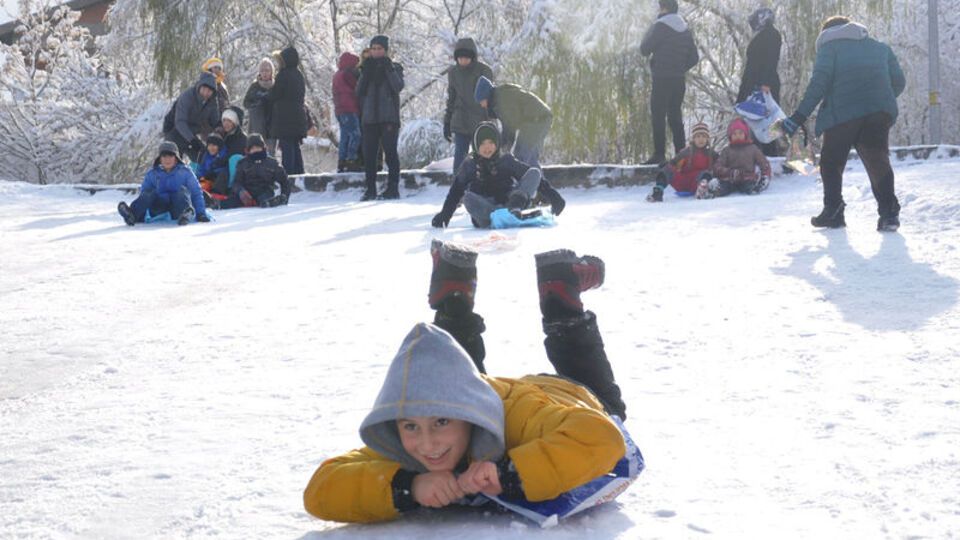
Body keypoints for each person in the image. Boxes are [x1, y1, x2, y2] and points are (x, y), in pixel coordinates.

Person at [303, 242, 629, 523]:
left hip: (565, 394)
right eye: (411, 426)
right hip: (479, 389)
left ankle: (562, 294)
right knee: (445, 372)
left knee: (611, 407)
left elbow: (603, 438)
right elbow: (321, 489)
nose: (427, 444)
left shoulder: (521, 417)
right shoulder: (407, 443)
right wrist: (409, 485)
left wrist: (509, 474)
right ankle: (453, 293)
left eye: (441, 422)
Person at [781, 16, 906, 232]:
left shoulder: (829, 47)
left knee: (831, 162)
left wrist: (798, 116)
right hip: (878, 113)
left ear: (826, 33)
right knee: (878, 161)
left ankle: (834, 212)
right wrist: (878, 100)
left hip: (842, 114)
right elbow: (899, 82)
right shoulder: (881, 48)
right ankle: (889, 214)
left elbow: (818, 84)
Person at [432, 122, 565, 229]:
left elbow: (532, 177)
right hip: (485, 210)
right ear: (476, 146)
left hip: (510, 203)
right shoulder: (469, 165)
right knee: (468, 198)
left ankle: (512, 211)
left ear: (497, 143)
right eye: (483, 144)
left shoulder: (506, 160)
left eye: (491, 143)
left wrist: (554, 197)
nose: (487, 147)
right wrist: (445, 215)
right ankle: (495, 216)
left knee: (534, 173)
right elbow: (455, 191)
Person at [639, 0, 699, 165]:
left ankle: (659, 154)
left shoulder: (660, 26)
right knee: (675, 116)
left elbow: (644, 49)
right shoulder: (686, 30)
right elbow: (694, 58)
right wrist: (680, 68)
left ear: (663, 8)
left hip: (662, 77)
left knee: (658, 115)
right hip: (678, 79)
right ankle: (681, 154)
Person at [356, 34, 405, 200]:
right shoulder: (366, 67)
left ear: (385, 50)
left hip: (389, 117)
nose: (376, 52)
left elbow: (397, 86)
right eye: (373, 48)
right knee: (369, 155)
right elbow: (359, 91)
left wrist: (388, 68)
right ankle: (370, 189)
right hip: (369, 118)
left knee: (390, 153)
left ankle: (393, 188)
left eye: (379, 49)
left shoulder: (395, 67)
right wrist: (366, 72)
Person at [117, 141, 209, 226]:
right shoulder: (152, 174)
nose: (167, 159)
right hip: (158, 208)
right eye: (164, 156)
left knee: (183, 191)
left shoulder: (186, 173)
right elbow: (144, 196)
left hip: (179, 207)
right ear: (160, 159)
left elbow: (196, 193)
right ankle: (132, 215)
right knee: (149, 192)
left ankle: (186, 215)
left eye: (170, 156)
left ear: (176, 158)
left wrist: (201, 214)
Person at [473, 76, 552, 170]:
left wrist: (502, 150)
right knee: (530, 158)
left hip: (536, 120)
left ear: (486, 96)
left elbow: (510, 127)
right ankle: (538, 182)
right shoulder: (499, 96)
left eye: (482, 101)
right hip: (541, 118)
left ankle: (530, 181)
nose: (482, 105)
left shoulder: (501, 100)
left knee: (521, 156)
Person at [443, 37, 494, 174]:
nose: (462, 61)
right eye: (459, 58)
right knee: (460, 155)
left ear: (472, 57)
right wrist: (447, 121)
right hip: (460, 120)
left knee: (483, 155)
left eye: (465, 58)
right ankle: (458, 187)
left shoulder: (483, 71)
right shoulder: (453, 73)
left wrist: (491, 121)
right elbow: (451, 98)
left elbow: (490, 97)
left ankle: (484, 185)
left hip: (480, 120)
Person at [736, 7, 782, 157]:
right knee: (758, 122)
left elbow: (770, 60)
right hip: (757, 84)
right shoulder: (766, 35)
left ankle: (769, 155)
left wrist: (765, 83)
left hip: (762, 85)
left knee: (767, 122)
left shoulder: (770, 35)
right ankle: (761, 155)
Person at [209, 134, 290, 210]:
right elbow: (236, 182)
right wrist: (241, 191)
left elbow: (284, 181)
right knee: (231, 202)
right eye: (253, 148)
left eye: (258, 147)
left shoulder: (272, 163)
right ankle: (215, 203)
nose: (255, 150)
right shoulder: (243, 163)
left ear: (263, 148)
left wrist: (284, 195)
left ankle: (275, 202)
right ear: (248, 150)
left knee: (265, 201)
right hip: (247, 191)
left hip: (264, 191)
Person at [698, 118, 771, 199]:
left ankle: (755, 189)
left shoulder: (752, 149)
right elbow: (718, 166)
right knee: (723, 187)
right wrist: (729, 172)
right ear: (730, 136)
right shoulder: (727, 150)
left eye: (740, 133)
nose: (737, 136)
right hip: (730, 179)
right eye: (734, 134)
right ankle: (712, 189)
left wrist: (765, 176)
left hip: (747, 177)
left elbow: (763, 163)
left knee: (749, 186)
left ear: (746, 134)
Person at [647, 121, 718, 202]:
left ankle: (702, 190)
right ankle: (658, 190)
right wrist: (667, 165)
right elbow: (674, 163)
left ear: (707, 138)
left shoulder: (712, 154)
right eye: (698, 136)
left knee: (706, 173)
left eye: (703, 136)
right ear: (694, 138)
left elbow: (720, 164)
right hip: (683, 181)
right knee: (668, 169)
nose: (701, 139)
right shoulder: (686, 152)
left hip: (697, 183)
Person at [162, 72, 221, 162]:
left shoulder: (212, 102)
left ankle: (200, 175)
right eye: (204, 89)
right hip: (174, 129)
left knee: (204, 156)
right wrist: (193, 140)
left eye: (209, 91)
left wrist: (221, 130)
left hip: (192, 132)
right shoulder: (188, 96)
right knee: (173, 159)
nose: (206, 93)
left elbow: (215, 120)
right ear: (199, 86)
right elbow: (180, 121)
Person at [268, 46, 308, 176]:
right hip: (298, 118)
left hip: (285, 119)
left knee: (287, 148)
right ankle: (299, 173)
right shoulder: (298, 75)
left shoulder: (283, 75)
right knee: (295, 147)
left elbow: (274, 94)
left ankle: (289, 176)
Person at [332, 51, 362, 172]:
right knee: (356, 135)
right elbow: (358, 86)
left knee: (344, 136)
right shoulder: (347, 74)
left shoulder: (337, 74)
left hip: (340, 110)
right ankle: (351, 159)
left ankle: (342, 161)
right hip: (350, 109)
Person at [243, 57, 277, 152]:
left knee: (270, 155)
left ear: (272, 72)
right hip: (256, 128)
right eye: (262, 71)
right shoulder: (254, 86)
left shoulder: (276, 86)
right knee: (255, 154)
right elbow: (246, 103)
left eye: (267, 70)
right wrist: (255, 104)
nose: (265, 73)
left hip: (271, 128)